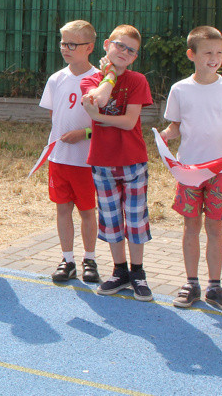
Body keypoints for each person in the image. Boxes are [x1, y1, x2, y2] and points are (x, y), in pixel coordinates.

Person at [159, 26, 222, 312]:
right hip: (189, 170)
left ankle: (215, 286)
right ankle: (191, 283)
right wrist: (165, 136)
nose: (215, 58)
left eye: (219, 52)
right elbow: (175, 126)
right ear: (191, 54)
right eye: (208, 52)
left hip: (219, 170)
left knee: (215, 227)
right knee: (191, 226)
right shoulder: (180, 89)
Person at [81, 24, 153, 301]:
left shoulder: (138, 81)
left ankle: (138, 272)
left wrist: (98, 118)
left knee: (135, 221)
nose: (124, 52)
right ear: (107, 44)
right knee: (111, 221)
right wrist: (109, 73)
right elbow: (99, 97)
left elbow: (128, 121)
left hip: (133, 162)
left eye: (130, 50)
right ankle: (120, 271)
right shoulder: (90, 79)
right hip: (102, 162)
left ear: (135, 57)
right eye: (119, 46)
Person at [39, 20, 100, 283]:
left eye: (72, 44)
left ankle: (90, 259)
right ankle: (68, 259)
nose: (66, 48)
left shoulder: (99, 81)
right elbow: (56, 117)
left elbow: (105, 125)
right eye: (63, 42)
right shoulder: (56, 79)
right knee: (62, 209)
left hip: (86, 161)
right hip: (59, 158)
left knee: (87, 211)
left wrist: (83, 134)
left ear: (89, 47)